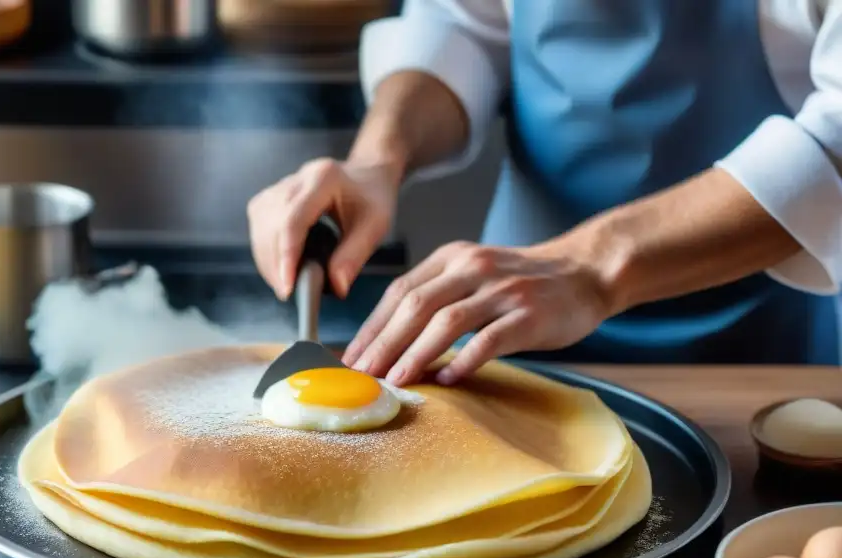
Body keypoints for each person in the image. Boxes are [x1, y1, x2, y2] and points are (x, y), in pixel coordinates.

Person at [246, 0, 842, 386]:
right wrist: (377, 159)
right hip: (512, 319)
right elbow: (464, 24)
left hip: (764, 333)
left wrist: (588, 267)